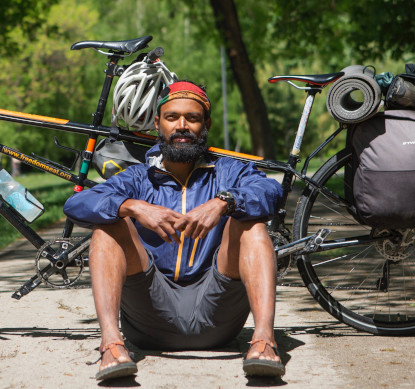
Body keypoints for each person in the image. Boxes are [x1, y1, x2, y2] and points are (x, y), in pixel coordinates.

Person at [63, 80, 285, 381]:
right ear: (158, 124)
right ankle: (112, 346)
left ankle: (263, 342)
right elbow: (77, 203)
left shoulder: (228, 171)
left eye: (192, 118)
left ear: (205, 124)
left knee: (251, 224)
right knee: (109, 226)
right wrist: (133, 207)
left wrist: (224, 202)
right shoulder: (138, 177)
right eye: (172, 117)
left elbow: (270, 191)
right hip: (149, 316)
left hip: (217, 312)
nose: (182, 126)